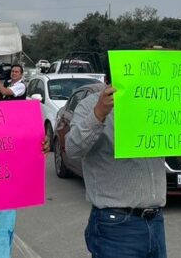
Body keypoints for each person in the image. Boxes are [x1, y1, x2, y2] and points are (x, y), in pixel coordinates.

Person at [67, 82, 168, 258]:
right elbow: (72, 148)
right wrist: (99, 113)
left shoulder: (158, 102)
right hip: (116, 225)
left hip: (156, 221)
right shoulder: (91, 105)